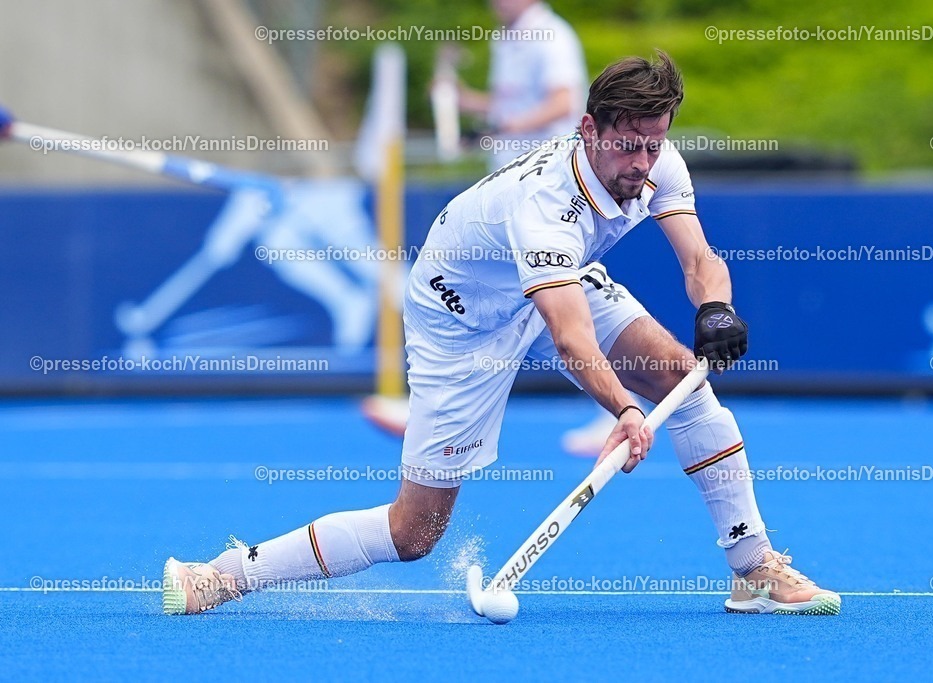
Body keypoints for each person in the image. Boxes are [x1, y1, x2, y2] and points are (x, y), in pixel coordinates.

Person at [163, 52, 840, 617]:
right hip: (461, 323)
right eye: (628, 146)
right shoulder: (545, 207)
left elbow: (698, 260)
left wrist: (715, 310)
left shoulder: (658, 164)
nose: (641, 163)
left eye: (653, 144)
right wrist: (624, 410)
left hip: (559, 282)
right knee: (414, 531)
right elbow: (572, 341)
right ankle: (224, 574)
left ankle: (753, 568)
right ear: (589, 130)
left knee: (681, 380)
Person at [458, 0, 587, 169]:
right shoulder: (505, 38)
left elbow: (563, 103)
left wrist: (506, 127)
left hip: (546, 169)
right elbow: (509, 103)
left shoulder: (554, 35)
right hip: (510, 167)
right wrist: (464, 100)